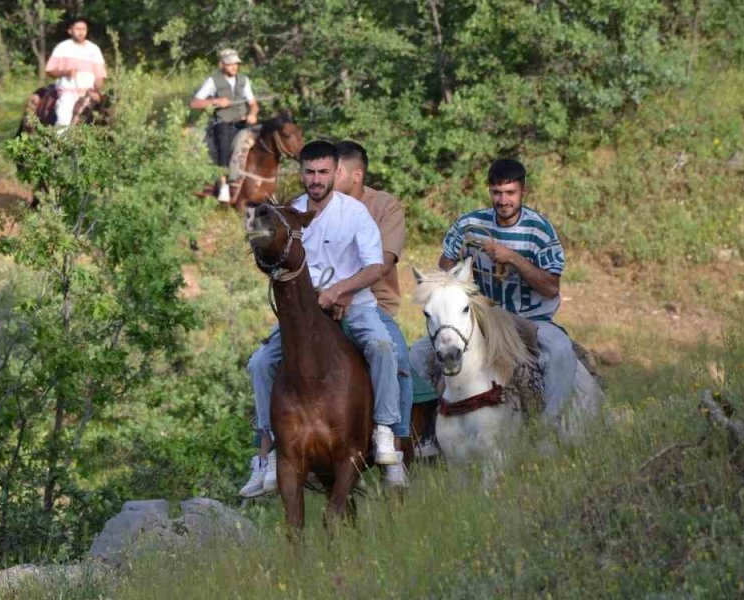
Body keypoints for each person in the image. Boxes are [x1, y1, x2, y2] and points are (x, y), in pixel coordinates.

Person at [240, 140, 401, 498]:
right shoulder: (290, 212)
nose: (315, 179)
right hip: (305, 312)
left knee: (382, 345)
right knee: (261, 362)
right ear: (302, 173)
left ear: (335, 173)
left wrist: (341, 291)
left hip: (354, 303)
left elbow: (375, 265)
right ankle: (267, 452)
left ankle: (386, 431)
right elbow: (272, 259)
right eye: (309, 172)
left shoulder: (354, 212)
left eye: (323, 172)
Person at [437, 158, 576, 428]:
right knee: (420, 352)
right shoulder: (469, 224)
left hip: (531, 318)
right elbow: (444, 267)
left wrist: (513, 258)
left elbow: (550, 287)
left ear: (523, 192)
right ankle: (427, 431)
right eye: (497, 192)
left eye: (510, 193)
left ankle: (550, 424)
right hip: (482, 316)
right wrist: (463, 269)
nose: (503, 200)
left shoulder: (539, 230)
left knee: (560, 350)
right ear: (489, 191)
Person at [333, 140, 412, 487]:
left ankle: (396, 446)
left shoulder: (386, 207)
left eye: (335, 171)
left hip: (373, 302)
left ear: (356, 174)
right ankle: (273, 452)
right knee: (271, 358)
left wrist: (346, 291)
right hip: (327, 302)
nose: (326, 178)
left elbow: (383, 262)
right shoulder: (323, 207)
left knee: (399, 359)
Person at [189, 48, 260, 203]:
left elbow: (253, 104)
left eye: (236, 64)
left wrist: (252, 114)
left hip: (242, 120)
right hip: (223, 122)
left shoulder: (244, 80)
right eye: (230, 64)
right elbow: (194, 103)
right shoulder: (213, 81)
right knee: (224, 144)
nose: (234, 67)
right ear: (222, 65)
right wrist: (215, 102)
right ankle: (223, 185)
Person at [44, 17, 107, 129]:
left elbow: (99, 75)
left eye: (84, 29)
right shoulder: (62, 47)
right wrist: (65, 72)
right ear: (70, 30)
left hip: (89, 92)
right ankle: (61, 142)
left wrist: (97, 91)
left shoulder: (94, 49)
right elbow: (49, 70)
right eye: (77, 28)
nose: (81, 32)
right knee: (64, 116)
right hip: (68, 91)